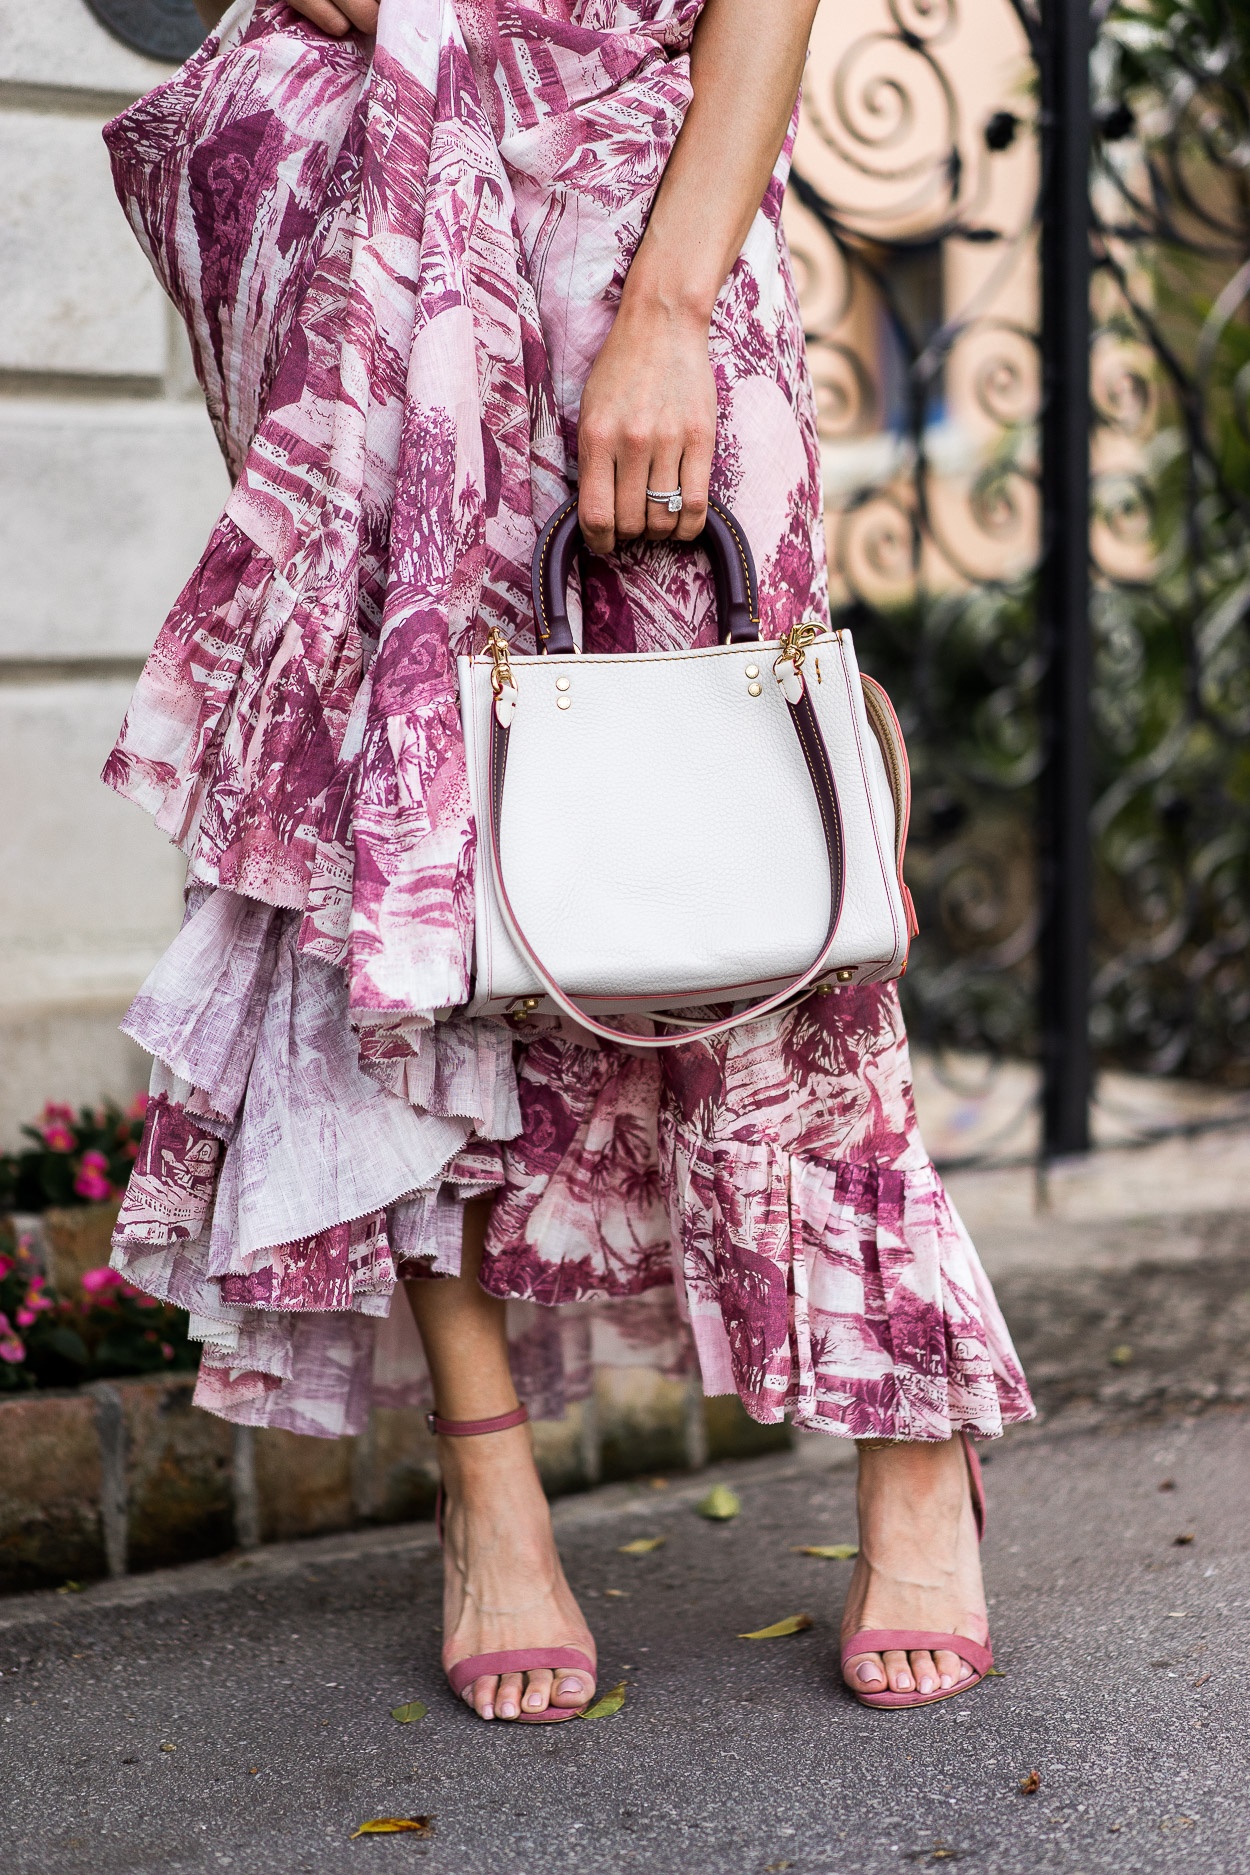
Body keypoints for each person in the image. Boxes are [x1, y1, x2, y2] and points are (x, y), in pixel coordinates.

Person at [105, 0, 1033, 1722]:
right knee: (392, 848)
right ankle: (489, 1485)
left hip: (636, 152)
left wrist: (668, 305)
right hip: (336, 145)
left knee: (738, 803)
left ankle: (910, 1417)